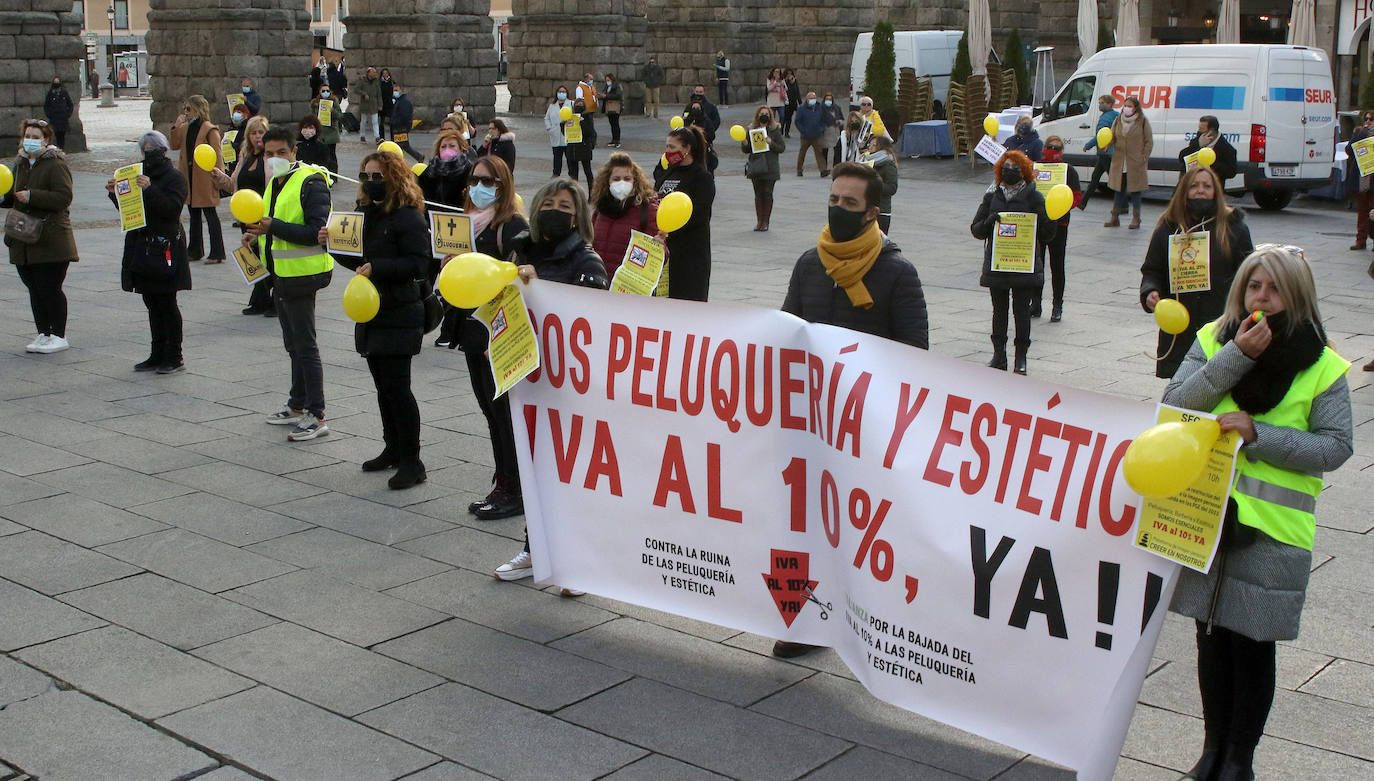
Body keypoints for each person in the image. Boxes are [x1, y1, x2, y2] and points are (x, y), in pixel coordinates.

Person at [1164, 245, 1353, 781]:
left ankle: (1239, 760)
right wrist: (1236, 357)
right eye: (1253, 287)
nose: (1261, 298)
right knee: (1210, 639)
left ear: (1294, 296)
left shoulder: (1323, 365)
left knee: (1252, 646)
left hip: (1273, 530)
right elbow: (1177, 403)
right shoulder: (1211, 340)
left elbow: (1335, 447)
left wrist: (1260, 435)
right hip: (1206, 521)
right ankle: (1211, 750)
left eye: (1273, 289)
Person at [774, 160, 928, 658]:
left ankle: (865, 619)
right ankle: (800, 620)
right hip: (808, 420)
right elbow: (786, 333)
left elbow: (914, 354)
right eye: (833, 200)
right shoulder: (808, 263)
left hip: (865, 426)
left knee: (856, 531)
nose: (837, 209)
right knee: (797, 521)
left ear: (872, 214)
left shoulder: (897, 272)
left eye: (849, 204)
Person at [493, 177, 609, 584]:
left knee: (571, 474)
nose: (556, 211)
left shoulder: (587, 262)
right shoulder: (519, 249)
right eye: (550, 203)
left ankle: (578, 563)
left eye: (566, 205)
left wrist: (540, 288)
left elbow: (591, 322)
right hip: (525, 374)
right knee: (534, 468)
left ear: (578, 215)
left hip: (568, 386)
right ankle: (535, 547)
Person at [317, 151, 430, 489]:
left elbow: (419, 265)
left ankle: (413, 460)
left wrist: (379, 268)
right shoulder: (365, 214)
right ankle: (392, 447)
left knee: (398, 388)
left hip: (400, 310)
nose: (370, 182)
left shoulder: (408, 217)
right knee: (383, 387)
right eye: (366, 175)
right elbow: (355, 259)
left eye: (378, 176)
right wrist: (331, 245)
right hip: (371, 311)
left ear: (394, 178)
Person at [449, 156, 532, 519]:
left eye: (487, 181)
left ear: (502, 185)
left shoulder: (511, 225)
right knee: (489, 411)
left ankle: (513, 489)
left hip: (495, 334)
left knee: (504, 415)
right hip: (471, 329)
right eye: (474, 179)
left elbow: (518, 282)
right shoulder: (462, 224)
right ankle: (504, 480)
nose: (478, 187)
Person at [243, 126, 334, 442]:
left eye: (281, 152)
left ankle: (316, 412)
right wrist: (257, 235)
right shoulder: (274, 184)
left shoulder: (311, 182)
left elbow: (315, 231)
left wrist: (274, 227)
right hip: (280, 274)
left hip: (305, 273)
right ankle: (297, 404)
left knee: (305, 345)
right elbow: (273, 225)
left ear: (294, 152)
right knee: (292, 343)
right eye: (269, 153)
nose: (275, 158)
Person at [1139, 166, 1254, 379]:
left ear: (1215, 191)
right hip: (1181, 326)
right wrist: (1150, 291)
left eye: (1206, 186)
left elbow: (1249, 274)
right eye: (1194, 186)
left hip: (1220, 324)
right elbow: (1152, 269)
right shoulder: (1169, 227)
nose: (1200, 190)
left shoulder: (1234, 228)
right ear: (1184, 191)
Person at [108, 132, 192, 374]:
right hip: (142, 244)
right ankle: (157, 353)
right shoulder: (136, 175)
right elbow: (130, 212)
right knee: (151, 301)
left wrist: (151, 188)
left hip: (165, 245)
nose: (151, 153)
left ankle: (174, 355)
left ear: (164, 151)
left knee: (167, 302)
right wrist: (116, 194)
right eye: (146, 150)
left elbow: (172, 209)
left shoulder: (174, 177)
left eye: (155, 148)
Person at [970, 150, 1058, 375]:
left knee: (1021, 312)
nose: (1010, 170)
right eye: (1006, 166)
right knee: (998, 311)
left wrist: (1046, 220)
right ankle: (999, 354)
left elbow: (1048, 234)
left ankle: (1021, 358)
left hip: (1023, 264)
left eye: (1015, 167)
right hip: (998, 264)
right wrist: (989, 222)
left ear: (1024, 171)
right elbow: (976, 229)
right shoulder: (992, 196)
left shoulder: (1035, 197)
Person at [2, 118, 77, 354]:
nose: (30, 141)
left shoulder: (55, 164)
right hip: (24, 236)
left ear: (46, 140)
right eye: (28, 136)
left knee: (49, 287)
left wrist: (33, 196)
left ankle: (58, 334)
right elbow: (13, 193)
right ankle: (44, 332)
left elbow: (63, 197)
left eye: (36, 137)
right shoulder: (21, 163)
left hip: (50, 237)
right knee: (34, 288)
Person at [211, 115, 275, 316]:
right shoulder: (245, 155)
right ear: (248, 135)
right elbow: (233, 185)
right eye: (254, 132)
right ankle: (259, 299)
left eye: (261, 132)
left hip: (263, 213)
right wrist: (219, 178)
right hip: (245, 214)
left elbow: (275, 186)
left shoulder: (271, 157)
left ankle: (273, 300)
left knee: (269, 257)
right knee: (252, 257)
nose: (257, 136)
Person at [653, 127, 715, 301]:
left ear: (686, 148)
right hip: (665, 250)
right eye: (666, 147)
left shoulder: (701, 177)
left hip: (690, 253)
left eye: (672, 147)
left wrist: (669, 231)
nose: (667, 152)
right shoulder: (669, 172)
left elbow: (699, 214)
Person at [169, 95, 227, 264]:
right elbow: (174, 144)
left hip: (204, 179)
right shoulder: (186, 127)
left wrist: (219, 178)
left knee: (210, 215)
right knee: (194, 215)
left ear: (198, 109)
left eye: (188, 109)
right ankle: (195, 250)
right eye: (184, 109)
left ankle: (217, 252)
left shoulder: (209, 129)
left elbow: (218, 155)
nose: (186, 112)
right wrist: (176, 126)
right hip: (190, 178)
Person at [1033, 135, 1082, 323]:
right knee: (1037, 266)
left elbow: (1076, 196)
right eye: (1050, 147)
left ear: (1061, 151)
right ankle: (1036, 303)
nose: (1052, 150)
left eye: (1056, 148)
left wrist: (1061, 206)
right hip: (1039, 223)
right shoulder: (1036, 168)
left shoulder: (1068, 171)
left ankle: (1057, 305)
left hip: (1060, 224)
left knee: (1057, 266)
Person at [591, 152, 659, 278]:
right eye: (616, 179)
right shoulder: (600, 210)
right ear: (608, 181)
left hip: (628, 288)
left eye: (627, 179)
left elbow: (657, 257)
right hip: (600, 284)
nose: (621, 183)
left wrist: (660, 247)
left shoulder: (647, 210)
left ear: (635, 181)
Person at [1106, 95, 1152, 230]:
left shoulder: (1142, 121)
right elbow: (1112, 137)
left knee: (1136, 191)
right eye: (1125, 105)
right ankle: (1115, 217)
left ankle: (1136, 218)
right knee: (1118, 189)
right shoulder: (1118, 120)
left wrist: (1144, 157)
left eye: (1130, 106)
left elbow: (1148, 141)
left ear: (1136, 108)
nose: (1126, 108)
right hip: (1119, 161)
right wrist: (1107, 145)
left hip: (1135, 162)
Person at [742, 106, 785, 232]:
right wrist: (744, 143)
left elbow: (781, 148)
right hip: (756, 166)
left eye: (766, 113)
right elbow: (746, 150)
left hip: (770, 167)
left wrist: (771, 143)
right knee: (758, 194)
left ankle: (766, 221)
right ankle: (759, 221)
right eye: (762, 113)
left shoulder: (775, 130)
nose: (764, 115)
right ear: (757, 115)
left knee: (767, 193)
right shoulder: (751, 129)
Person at [419, 129, 476, 212]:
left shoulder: (468, 170)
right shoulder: (431, 169)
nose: (447, 149)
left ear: (461, 148)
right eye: (443, 146)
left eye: (452, 146)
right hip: (434, 217)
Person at [1081, 95, 1119, 208]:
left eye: (1102, 102)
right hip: (1109, 152)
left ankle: (1122, 203)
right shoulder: (1116, 115)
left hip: (1105, 152)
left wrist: (1088, 145)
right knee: (1096, 177)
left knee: (1112, 179)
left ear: (1109, 104)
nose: (1100, 105)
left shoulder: (1105, 118)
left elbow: (1100, 136)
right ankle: (1083, 202)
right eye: (1100, 102)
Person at [1178, 115, 1238, 183]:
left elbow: (1231, 173)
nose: (1199, 131)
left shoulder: (1227, 149)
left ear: (1211, 131)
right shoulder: (1197, 141)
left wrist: (1210, 161)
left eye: (1201, 129)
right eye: (1199, 128)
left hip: (1213, 187)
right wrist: (1199, 146)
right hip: (1192, 183)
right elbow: (1182, 158)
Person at [1348, 111, 1374, 251]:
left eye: (1371, 119)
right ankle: (1360, 240)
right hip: (1363, 179)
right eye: (1366, 119)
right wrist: (1357, 135)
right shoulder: (1360, 133)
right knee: (1362, 211)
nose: (1368, 121)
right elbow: (1349, 150)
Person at [863, 135, 898, 235]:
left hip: (881, 210)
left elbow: (892, 188)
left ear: (882, 147)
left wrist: (875, 183)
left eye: (874, 145)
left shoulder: (888, 164)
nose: (870, 147)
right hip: (866, 208)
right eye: (870, 144)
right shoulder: (866, 160)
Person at [794, 91, 830, 177]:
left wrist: (821, 129)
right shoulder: (801, 109)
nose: (812, 99)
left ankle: (823, 170)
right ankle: (799, 169)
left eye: (814, 98)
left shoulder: (820, 108)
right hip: (805, 136)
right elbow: (797, 121)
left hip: (817, 136)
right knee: (802, 153)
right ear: (806, 99)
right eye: (810, 98)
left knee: (819, 153)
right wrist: (803, 130)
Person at [387, 82, 423, 163]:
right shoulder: (399, 101)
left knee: (401, 145)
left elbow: (405, 116)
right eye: (393, 90)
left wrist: (396, 122)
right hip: (397, 126)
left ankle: (417, 157)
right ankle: (417, 157)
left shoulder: (404, 102)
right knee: (402, 145)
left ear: (401, 90)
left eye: (396, 90)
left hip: (400, 127)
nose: (394, 92)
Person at [309, 84, 341, 172]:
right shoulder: (314, 103)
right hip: (320, 132)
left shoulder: (334, 101)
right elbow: (311, 117)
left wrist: (332, 111)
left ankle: (334, 175)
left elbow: (340, 116)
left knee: (331, 154)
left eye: (327, 90)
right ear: (319, 92)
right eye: (323, 91)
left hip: (331, 132)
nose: (325, 92)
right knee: (321, 155)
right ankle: (323, 172)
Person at [544, 85, 574, 178]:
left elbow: (576, 117)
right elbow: (547, 118)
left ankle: (572, 173)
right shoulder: (552, 106)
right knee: (557, 156)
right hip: (555, 134)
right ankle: (556, 173)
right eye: (560, 91)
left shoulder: (571, 104)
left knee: (569, 157)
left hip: (567, 134)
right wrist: (550, 128)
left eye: (564, 92)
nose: (562, 93)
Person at [568, 98, 597, 186]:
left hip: (584, 147)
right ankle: (575, 194)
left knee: (588, 172)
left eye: (581, 104)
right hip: (573, 148)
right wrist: (563, 124)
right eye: (577, 104)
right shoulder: (570, 117)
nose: (579, 106)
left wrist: (582, 122)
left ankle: (592, 195)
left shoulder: (587, 117)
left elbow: (590, 132)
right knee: (573, 174)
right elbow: (565, 133)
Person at [43, 78, 74, 149]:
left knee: (62, 135)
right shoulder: (50, 93)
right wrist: (49, 115)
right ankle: (57, 149)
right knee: (55, 134)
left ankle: (61, 149)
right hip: (54, 118)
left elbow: (70, 104)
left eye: (57, 82)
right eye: (55, 82)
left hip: (63, 118)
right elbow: (46, 106)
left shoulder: (64, 93)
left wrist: (68, 114)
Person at [354, 67, 379, 143]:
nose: (375, 73)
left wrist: (380, 104)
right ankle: (362, 135)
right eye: (373, 72)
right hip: (365, 103)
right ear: (368, 73)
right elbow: (356, 89)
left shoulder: (376, 81)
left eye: (375, 72)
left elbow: (379, 93)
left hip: (373, 103)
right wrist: (364, 93)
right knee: (364, 121)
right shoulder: (362, 80)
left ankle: (377, 136)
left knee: (375, 121)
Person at [822, 92, 845, 170]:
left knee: (837, 150)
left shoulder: (837, 108)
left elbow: (842, 119)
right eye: (827, 99)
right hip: (825, 132)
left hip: (836, 131)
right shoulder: (821, 109)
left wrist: (839, 122)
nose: (828, 101)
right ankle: (824, 168)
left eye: (830, 99)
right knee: (824, 151)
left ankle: (836, 167)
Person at [602, 73, 623, 148]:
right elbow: (604, 92)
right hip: (608, 107)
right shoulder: (607, 86)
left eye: (608, 80)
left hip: (615, 106)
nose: (607, 81)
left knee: (615, 124)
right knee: (612, 124)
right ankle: (613, 139)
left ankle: (617, 140)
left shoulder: (616, 86)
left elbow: (618, 95)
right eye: (606, 80)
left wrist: (607, 96)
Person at [576, 72, 600, 137]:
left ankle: (591, 138)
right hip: (585, 110)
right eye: (591, 79)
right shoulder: (580, 87)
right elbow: (579, 98)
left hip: (592, 109)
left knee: (590, 125)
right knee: (587, 126)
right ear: (586, 79)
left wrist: (597, 103)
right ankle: (590, 138)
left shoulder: (591, 87)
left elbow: (594, 96)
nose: (592, 80)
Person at [782, 69, 801, 137]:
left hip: (793, 102)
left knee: (789, 118)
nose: (790, 75)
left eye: (791, 73)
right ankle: (781, 131)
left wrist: (800, 102)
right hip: (786, 102)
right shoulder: (784, 81)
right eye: (788, 73)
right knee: (784, 118)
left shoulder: (795, 81)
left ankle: (787, 132)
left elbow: (797, 92)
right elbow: (786, 90)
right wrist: (788, 81)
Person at [378, 68, 395, 139]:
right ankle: (382, 137)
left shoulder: (391, 82)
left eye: (386, 73)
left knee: (392, 122)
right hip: (382, 103)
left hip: (390, 103)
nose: (385, 74)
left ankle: (392, 138)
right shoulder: (379, 82)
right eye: (384, 73)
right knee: (381, 122)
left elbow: (395, 91)